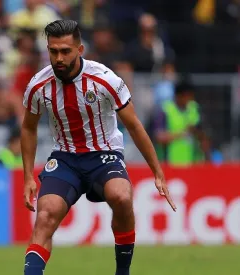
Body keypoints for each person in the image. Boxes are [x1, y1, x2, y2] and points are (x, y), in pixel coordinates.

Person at [21, 20, 177, 275]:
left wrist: (157, 172)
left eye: (65, 51)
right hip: (65, 159)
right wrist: (28, 175)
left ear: (80, 50)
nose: (58, 58)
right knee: (46, 214)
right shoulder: (38, 86)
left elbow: (135, 126)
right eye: (53, 51)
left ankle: (122, 272)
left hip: (104, 155)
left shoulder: (105, 80)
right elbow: (28, 127)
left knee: (122, 196)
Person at [153, 81, 210, 166]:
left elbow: (205, 138)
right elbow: (158, 137)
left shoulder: (195, 109)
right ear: (178, 96)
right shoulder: (166, 110)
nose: (189, 100)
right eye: (187, 97)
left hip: (193, 165)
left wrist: (197, 133)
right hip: (170, 165)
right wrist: (182, 134)